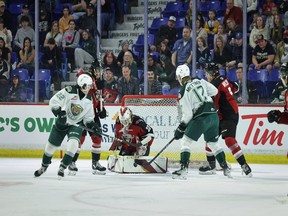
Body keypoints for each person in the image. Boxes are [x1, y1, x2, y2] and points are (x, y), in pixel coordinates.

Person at [34, 73, 101, 179]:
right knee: (50, 147)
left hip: (76, 125)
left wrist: (94, 127)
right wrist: (59, 113)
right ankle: (44, 166)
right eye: (87, 86)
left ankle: (62, 167)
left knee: (73, 145)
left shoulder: (89, 100)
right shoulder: (69, 91)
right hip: (62, 123)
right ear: (81, 85)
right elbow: (54, 101)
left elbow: (88, 118)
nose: (89, 88)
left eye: (90, 86)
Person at [172, 64, 231, 180]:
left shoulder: (183, 91)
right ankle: (226, 168)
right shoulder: (200, 80)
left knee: (185, 141)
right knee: (213, 143)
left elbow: (188, 115)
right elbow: (214, 91)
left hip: (201, 117)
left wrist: (181, 128)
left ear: (179, 77)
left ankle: (183, 170)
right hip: (213, 115)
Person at [198, 63, 252, 177]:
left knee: (229, 140)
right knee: (210, 138)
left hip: (228, 115)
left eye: (207, 74)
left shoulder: (213, 86)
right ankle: (211, 166)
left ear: (211, 74)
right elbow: (235, 87)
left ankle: (244, 165)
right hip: (223, 115)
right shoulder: (223, 78)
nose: (206, 76)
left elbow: (212, 105)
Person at [68, 65, 107, 175]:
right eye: (97, 71)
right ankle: (72, 162)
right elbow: (80, 79)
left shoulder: (98, 82)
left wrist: (101, 108)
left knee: (97, 137)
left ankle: (96, 163)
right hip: (81, 113)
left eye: (100, 71)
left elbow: (97, 98)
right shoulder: (87, 76)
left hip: (92, 114)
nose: (99, 73)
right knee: (80, 138)